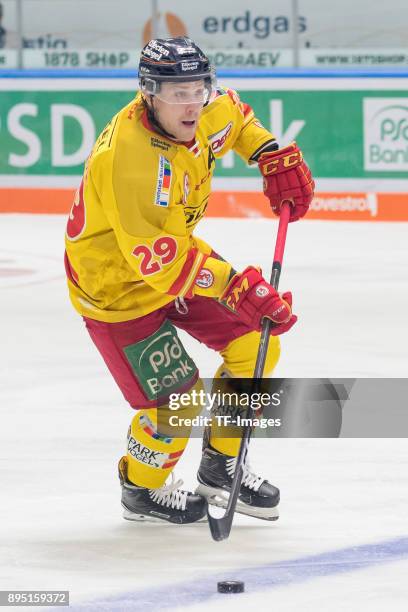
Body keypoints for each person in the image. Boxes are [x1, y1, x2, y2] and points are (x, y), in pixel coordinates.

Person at [64, 37, 314, 524]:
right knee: (179, 401)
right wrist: (233, 284)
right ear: (148, 93)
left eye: (198, 88)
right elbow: (155, 262)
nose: (191, 102)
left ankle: (221, 467)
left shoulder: (204, 108)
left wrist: (265, 153)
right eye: (177, 92)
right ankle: (140, 487)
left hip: (174, 255)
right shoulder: (129, 159)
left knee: (251, 344)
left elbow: (237, 117)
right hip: (117, 286)